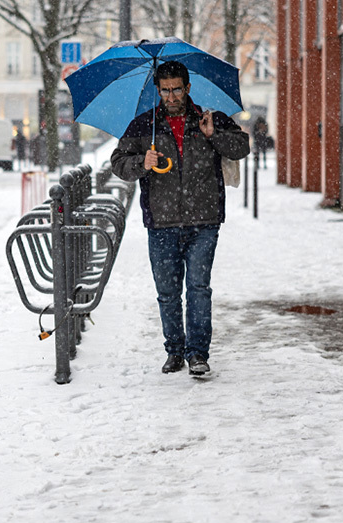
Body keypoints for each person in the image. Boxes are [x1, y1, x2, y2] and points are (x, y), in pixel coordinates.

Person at [111, 60, 249, 377]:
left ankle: (197, 353)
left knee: (199, 288)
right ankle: (174, 350)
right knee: (168, 293)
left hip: (204, 219)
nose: (172, 96)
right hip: (161, 222)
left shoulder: (209, 119)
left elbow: (241, 147)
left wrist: (214, 135)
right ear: (158, 91)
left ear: (187, 87)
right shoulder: (144, 126)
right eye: (165, 90)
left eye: (176, 89)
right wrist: (142, 162)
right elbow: (118, 163)